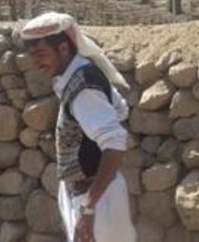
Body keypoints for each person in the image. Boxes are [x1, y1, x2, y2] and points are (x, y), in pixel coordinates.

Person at [19, 12, 136, 242]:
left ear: (63, 48)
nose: (37, 63)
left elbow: (114, 143)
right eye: (33, 56)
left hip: (98, 203)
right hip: (93, 196)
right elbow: (120, 109)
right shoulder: (80, 74)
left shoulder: (83, 88)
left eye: (41, 54)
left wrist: (89, 207)